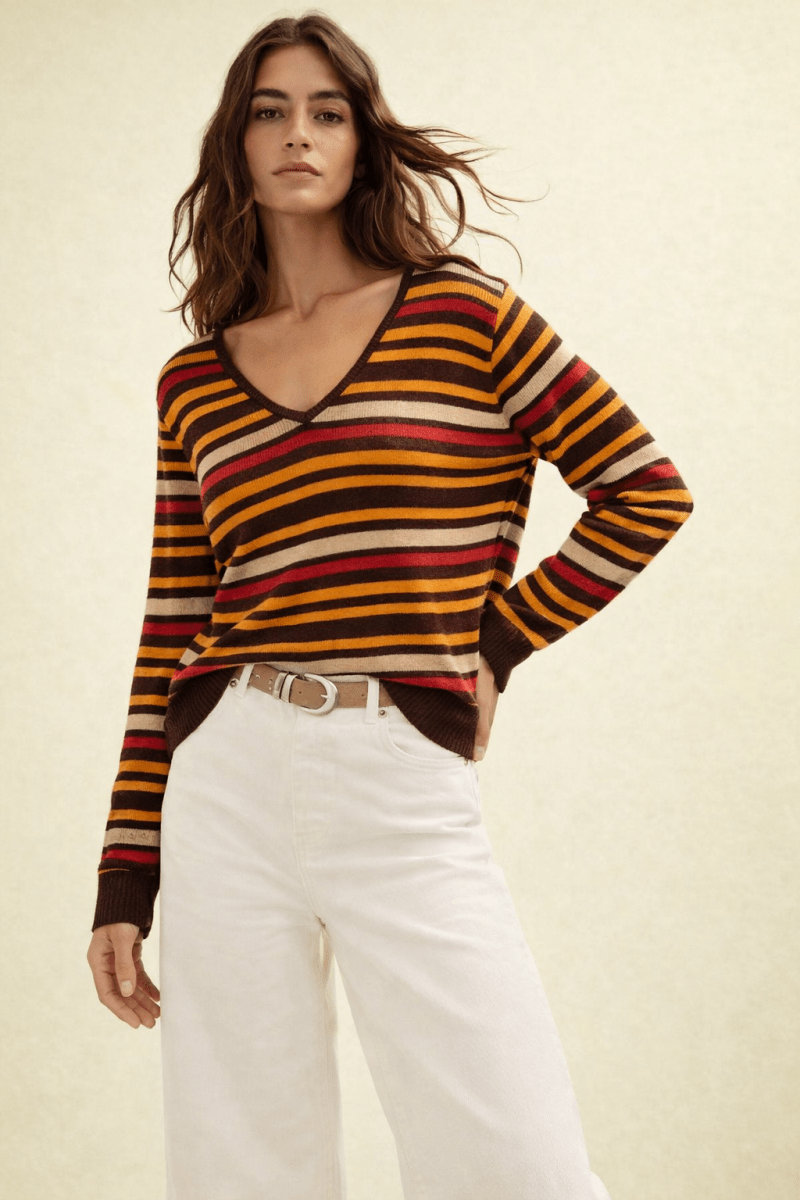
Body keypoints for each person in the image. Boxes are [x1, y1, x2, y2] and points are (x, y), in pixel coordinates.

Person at [86, 12, 693, 1200]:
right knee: (237, 1166)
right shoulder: (194, 380)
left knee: (511, 1157)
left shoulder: (464, 318)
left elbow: (644, 490)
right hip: (223, 772)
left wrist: (496, 645)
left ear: (362, 139)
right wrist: (125, 873)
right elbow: (170, 623)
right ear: (234, 142)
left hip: (396, 767)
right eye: (268, 111)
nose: (297, 134)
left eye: (326, 111)